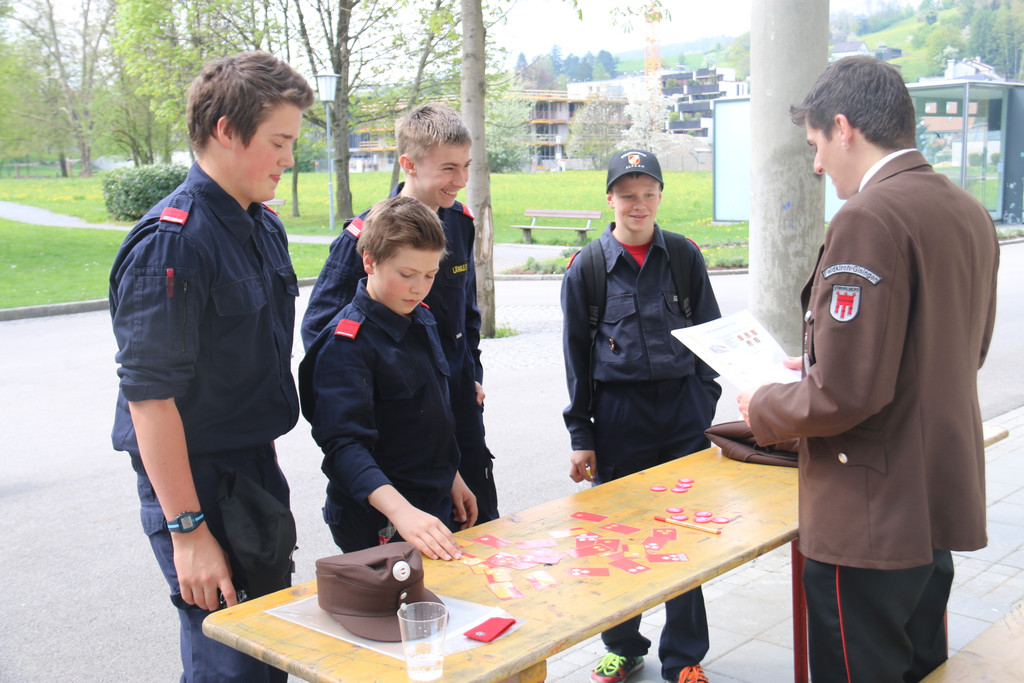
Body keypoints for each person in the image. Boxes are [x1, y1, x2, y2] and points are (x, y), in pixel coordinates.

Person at [738, 55, 1000, 683]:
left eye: (816, 145)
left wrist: (762, 402)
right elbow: (960, 349)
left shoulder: (869, 216)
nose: (818, 164)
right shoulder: (967, 211)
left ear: (843, 126)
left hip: (870, 520)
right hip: (933, 501)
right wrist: (828, 354)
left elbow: (845, 397)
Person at [109, 52, 314, 682]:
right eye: (279, 141)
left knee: (265, 654)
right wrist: (188, 530)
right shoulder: (173, 243)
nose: (288, 158)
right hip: (195, 486)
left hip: (251, 469)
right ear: (226, 130)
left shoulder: (259, 226)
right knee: (230, 665)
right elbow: (150, 400)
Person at [561, 149, 722, 683]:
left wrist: (704, 400)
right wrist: (581, 435)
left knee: (684, 537)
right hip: (618, 417)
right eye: (627, 194)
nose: (639, 204)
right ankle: (624, 646)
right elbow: (577, 359)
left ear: (659, 197)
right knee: (619, 535)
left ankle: (684, 658)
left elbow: (711, 337)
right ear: (610, 199)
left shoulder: (682, 255)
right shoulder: (587, 267)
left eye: (648, 193)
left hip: (682, 415)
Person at [301, 103, 500, 524]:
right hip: (399, 427)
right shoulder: (371, 233)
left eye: (466, 166)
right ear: (408, 164)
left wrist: (472, 373)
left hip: (454, 407)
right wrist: (382, 398)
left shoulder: (460, 223)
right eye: (449, 168)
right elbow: (323, 330)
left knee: (480, 525)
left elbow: (466, 316)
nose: (461, 181)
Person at [299, 195, 478, 561]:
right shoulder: (347, 344)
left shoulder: (421, 316)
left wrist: (452, 476)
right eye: (407, 275)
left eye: (430, 276)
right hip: (378, 518)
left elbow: (431, 414)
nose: (419, 288)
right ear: (370, 262)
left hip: (430, 502)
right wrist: (400, 512)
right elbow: (345, 448)